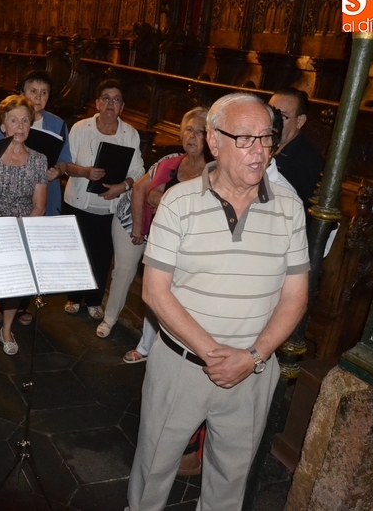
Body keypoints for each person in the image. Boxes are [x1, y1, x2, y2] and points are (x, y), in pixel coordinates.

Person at [126, 93, 309, 510]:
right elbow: (155, 291)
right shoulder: (179, 201)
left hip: (253, 371)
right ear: (214, 141)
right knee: (154, 469)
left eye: (266, 137)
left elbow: (295, 295)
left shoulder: (289, 206)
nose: (259, 150)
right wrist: (214, 355)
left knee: (230, 479)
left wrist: (253, 356)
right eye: (245, 138)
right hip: (182, 366)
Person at [118, 106, 209, 355]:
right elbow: (146, 192)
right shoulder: (172, 162)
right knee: (154, 294)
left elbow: (198, 208)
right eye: (188, 129)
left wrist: (163, 199)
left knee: (182, 299)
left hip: (192, 246)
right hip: (161, 239)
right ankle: (145, 345)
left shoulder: (214, 170)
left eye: (200, 131)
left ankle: (176, 346)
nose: (192, 136)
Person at [0, 70, 73, 326]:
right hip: (2, 196)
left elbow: (65, 159)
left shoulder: (57, 123)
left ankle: (21, 305)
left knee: (30, 255)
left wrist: (59, 171)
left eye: (44, 92)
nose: (38, 96)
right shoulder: (6, 116)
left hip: (42, 192)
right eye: (33, 91)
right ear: (22, 92)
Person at [62, 79, 144, 320]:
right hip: (79, 202)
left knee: (101, 255)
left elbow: (138, 170)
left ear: (122, 107)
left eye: (116, 99)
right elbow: (65, 164)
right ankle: (73, 297)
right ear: (97, 103)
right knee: (77, 252)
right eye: (106, 98)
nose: (110, 103)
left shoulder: (130, 134)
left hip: (110, 206)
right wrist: (85, 172)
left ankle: (94, 300)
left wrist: (122, 187)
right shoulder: (80, 128)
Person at [0, 95, 47, 355]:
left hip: (22, 229)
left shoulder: (39, 159)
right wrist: (0, 230)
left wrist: (20, 233)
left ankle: (6, 329)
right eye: (13, 120)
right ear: (2, 125)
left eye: (25, 121)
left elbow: (39, 205)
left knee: (16, 284)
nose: (20, 126)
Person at [268, 88, 324, 212]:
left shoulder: (307, 161)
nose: (273, 121)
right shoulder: (258, 144)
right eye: (270, 112)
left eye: (282, 116)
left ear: (300, 121)